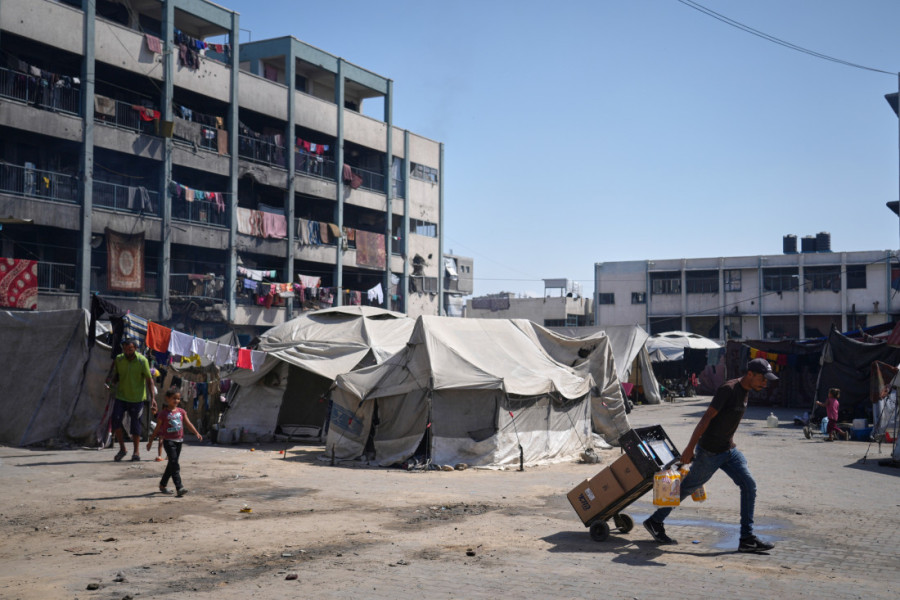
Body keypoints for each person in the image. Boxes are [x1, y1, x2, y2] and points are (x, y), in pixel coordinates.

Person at [643, 357, 777, 553]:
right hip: (710, 452)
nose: (765, 383)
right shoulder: (728, 390)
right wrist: (689, 448)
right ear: (750, 374)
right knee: (687, 487)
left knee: (749, 485)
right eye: (763, 379)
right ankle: (655, 521)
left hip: (729, 451)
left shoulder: (746, 390)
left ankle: (747, 538)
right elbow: (706, 418)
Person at [107, 339, 156, 462]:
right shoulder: (119, 359)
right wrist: (112, 383)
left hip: (137, 398)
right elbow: (117, 375)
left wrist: (153, 399)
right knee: (115, 421)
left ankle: (136, 452)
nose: (127, 352)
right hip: (121, 396)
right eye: (125, 349)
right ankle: (122, 449)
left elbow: (149, 380)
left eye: (130, 349)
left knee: (135, 426)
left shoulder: (142, 361)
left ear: (135, 348)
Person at [147, 387, 202, 497]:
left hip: (179, 441)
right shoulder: (163, 414)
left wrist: (196, 432)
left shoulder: (181, 412)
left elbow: (188, 423)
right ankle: (179, 487)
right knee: (175, 464)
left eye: (178, 398)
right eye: (174, 398)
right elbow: (157, 428)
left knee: (172, 464)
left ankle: (163, 484)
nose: (176, 400)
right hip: (168, 441)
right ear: (167, 398)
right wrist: (151, 441)